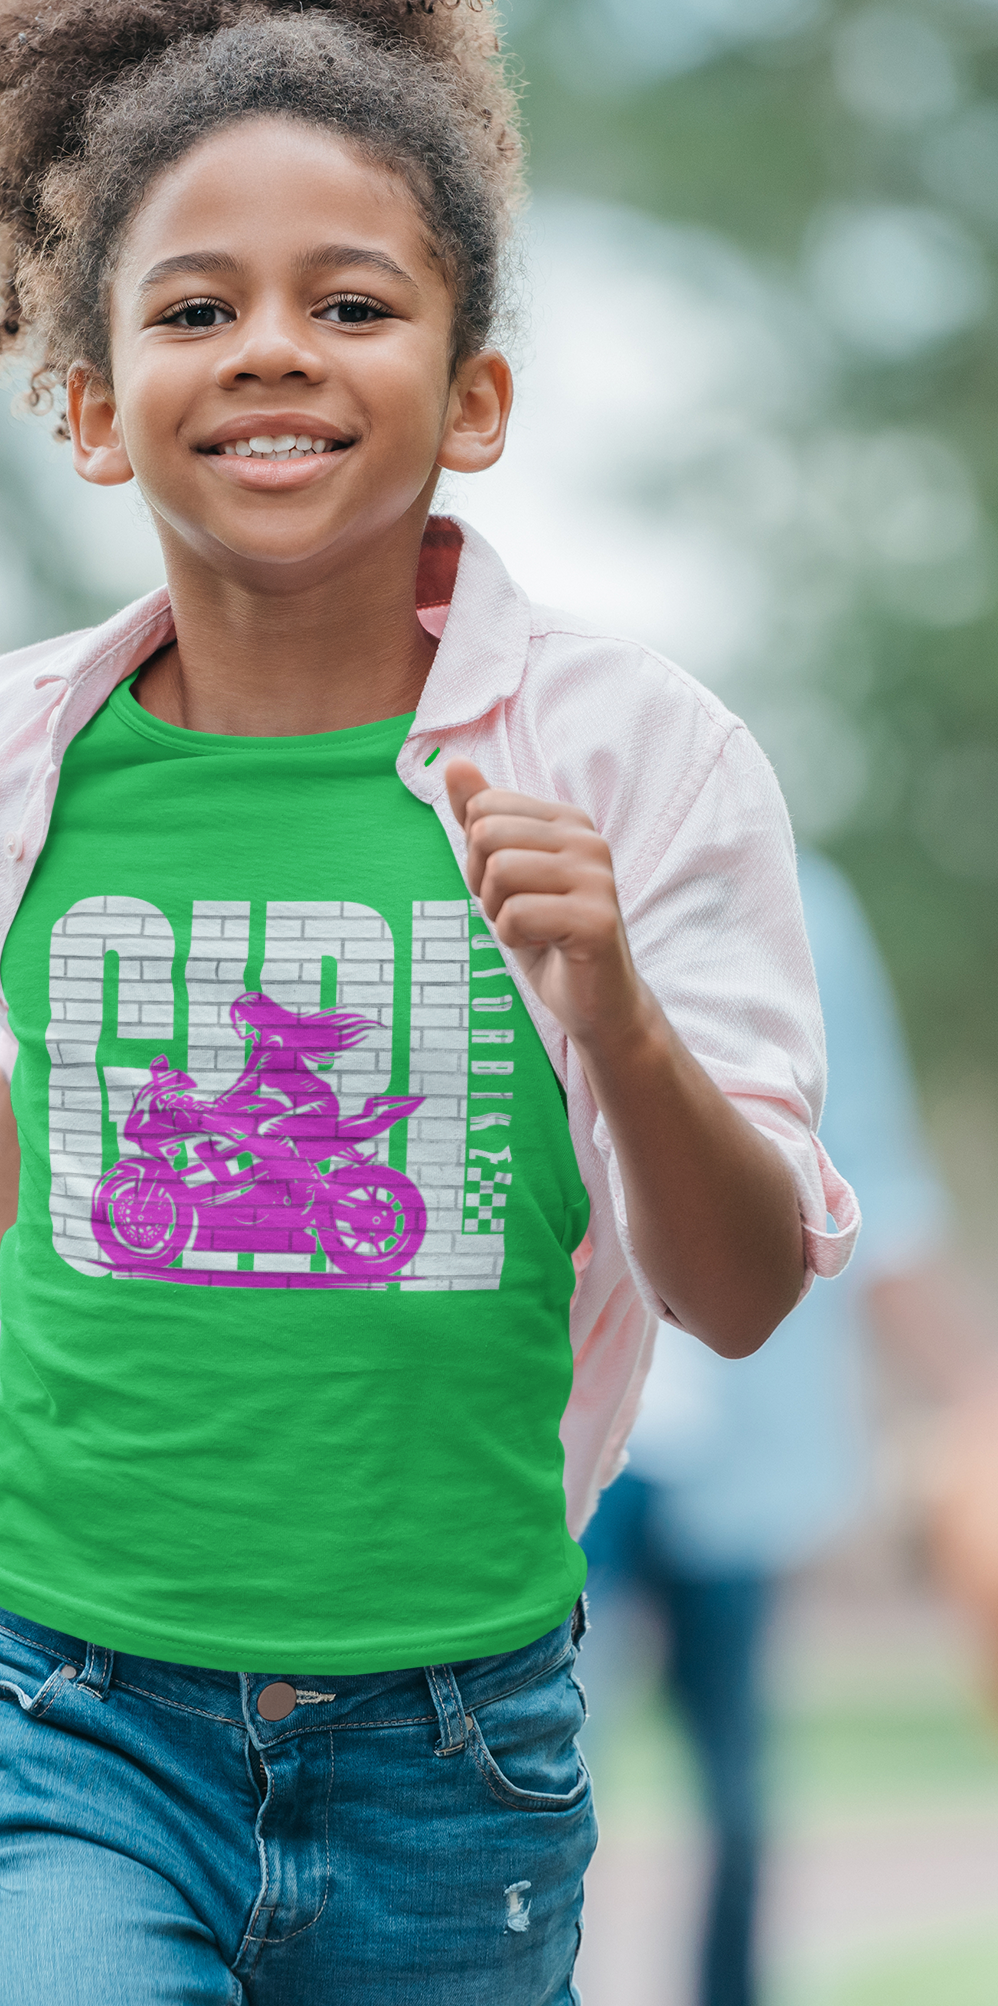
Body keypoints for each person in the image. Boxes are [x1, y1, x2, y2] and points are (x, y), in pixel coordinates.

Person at [0, 0, 858, 2001]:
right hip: (66, 1699)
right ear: (92, 396)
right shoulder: (2, 759)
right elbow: (64, 1103)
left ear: (472, 395)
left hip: (454, 1743)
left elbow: (741, 1291)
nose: (272, 350)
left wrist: (615, 1010)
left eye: (355, 302)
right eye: (195, 308)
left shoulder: (646, 765)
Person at [578, 848, 998, 2006]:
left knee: (738, 1789)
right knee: (545, 1769)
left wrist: (973, 1386)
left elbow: (871, 1175)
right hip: (572, 1439)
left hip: (736, 1435)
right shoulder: (497, 869)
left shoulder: (803, 908)